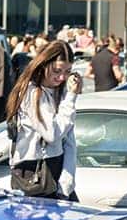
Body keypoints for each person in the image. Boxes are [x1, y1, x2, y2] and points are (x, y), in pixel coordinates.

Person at [6, 40, 81, 201]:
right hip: (33, 174)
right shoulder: (32, 93)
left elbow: (69, 141)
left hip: (55, 171)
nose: (62, 77)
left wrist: (67, 183)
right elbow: (52, 134)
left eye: (68, 71)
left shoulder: (59, 92)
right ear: (43, 64)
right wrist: (71, 97)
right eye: (56, 70)